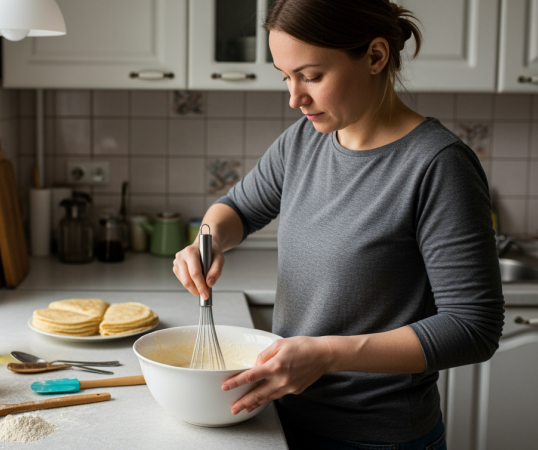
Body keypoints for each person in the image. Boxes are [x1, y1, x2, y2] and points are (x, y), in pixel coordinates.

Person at [172, 0, 505, 448]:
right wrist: (206, 242)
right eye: (286, 78)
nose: (295, 98)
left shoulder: (438, 165)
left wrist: (327, 355)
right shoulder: (303, 141)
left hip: (378, 438)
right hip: (284, 419)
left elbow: (472, 327)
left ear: (375, 57)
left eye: (311, 76)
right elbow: (238, 209)